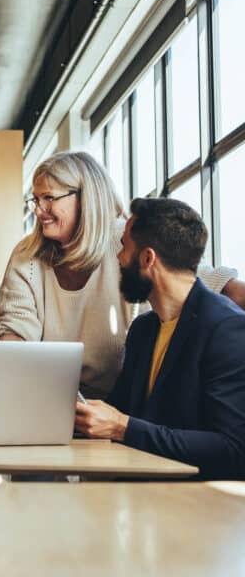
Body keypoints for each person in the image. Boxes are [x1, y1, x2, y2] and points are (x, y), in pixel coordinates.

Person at [0, 151, 244, 399]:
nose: (39, 211)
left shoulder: (126, 241)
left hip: (123, 404)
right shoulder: (27, 255)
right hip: (49, 399)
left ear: (86, 199)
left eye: (49, 198)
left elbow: (209, 283)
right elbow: (15, 331)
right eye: (35, 199)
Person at [75, 198, 245, 480]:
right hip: (141, 497)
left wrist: (122, 427)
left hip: (200, 508)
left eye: (124, 247)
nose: (118, 258)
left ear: (147, 259)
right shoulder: (144, 330)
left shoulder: (226, 329)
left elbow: (233, 449)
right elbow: (119, 411)